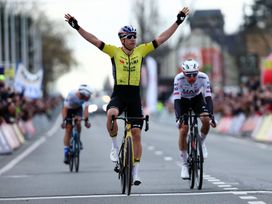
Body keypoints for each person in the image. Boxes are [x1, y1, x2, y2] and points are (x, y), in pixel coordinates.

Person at [64, 7, 189, 185]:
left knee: (136, 133)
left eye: (134, 37)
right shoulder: (114, 51)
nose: (133, 40)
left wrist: (178, 21)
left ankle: (135, 173)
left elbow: (162, 38)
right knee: (111, 114)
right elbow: (94, 40)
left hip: (134, 96)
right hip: (119, 94)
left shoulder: (141, 51)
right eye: (129, 37)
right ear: (122, 39)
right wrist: (77, 27)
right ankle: (115, 149)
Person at [173, 59, 216, 179]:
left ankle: (201, 142)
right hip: (183, 101)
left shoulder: (203, 77)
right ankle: (185, 164)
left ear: (198, 72)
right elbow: (176, 100)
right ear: (183, 73)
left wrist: (211, 115)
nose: (192, 78)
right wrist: (178, 117)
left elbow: (208, 98)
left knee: (206, 119)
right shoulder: (178, 79)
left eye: (194, 74)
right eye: (189, 75)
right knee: (183, 130)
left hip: (197, 99)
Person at [61, 84, 93, 164]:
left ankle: (78, 138)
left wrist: (86, 121)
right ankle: (66, 152)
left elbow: (86, 109)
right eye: (87, 97)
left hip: (78, 109)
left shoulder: (86, 98)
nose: (88, 98)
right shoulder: (71, 95)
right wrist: (64, 120)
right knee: (68, 129)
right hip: (68, 110)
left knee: (78, 122)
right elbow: (64, 109)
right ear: (82, 94)